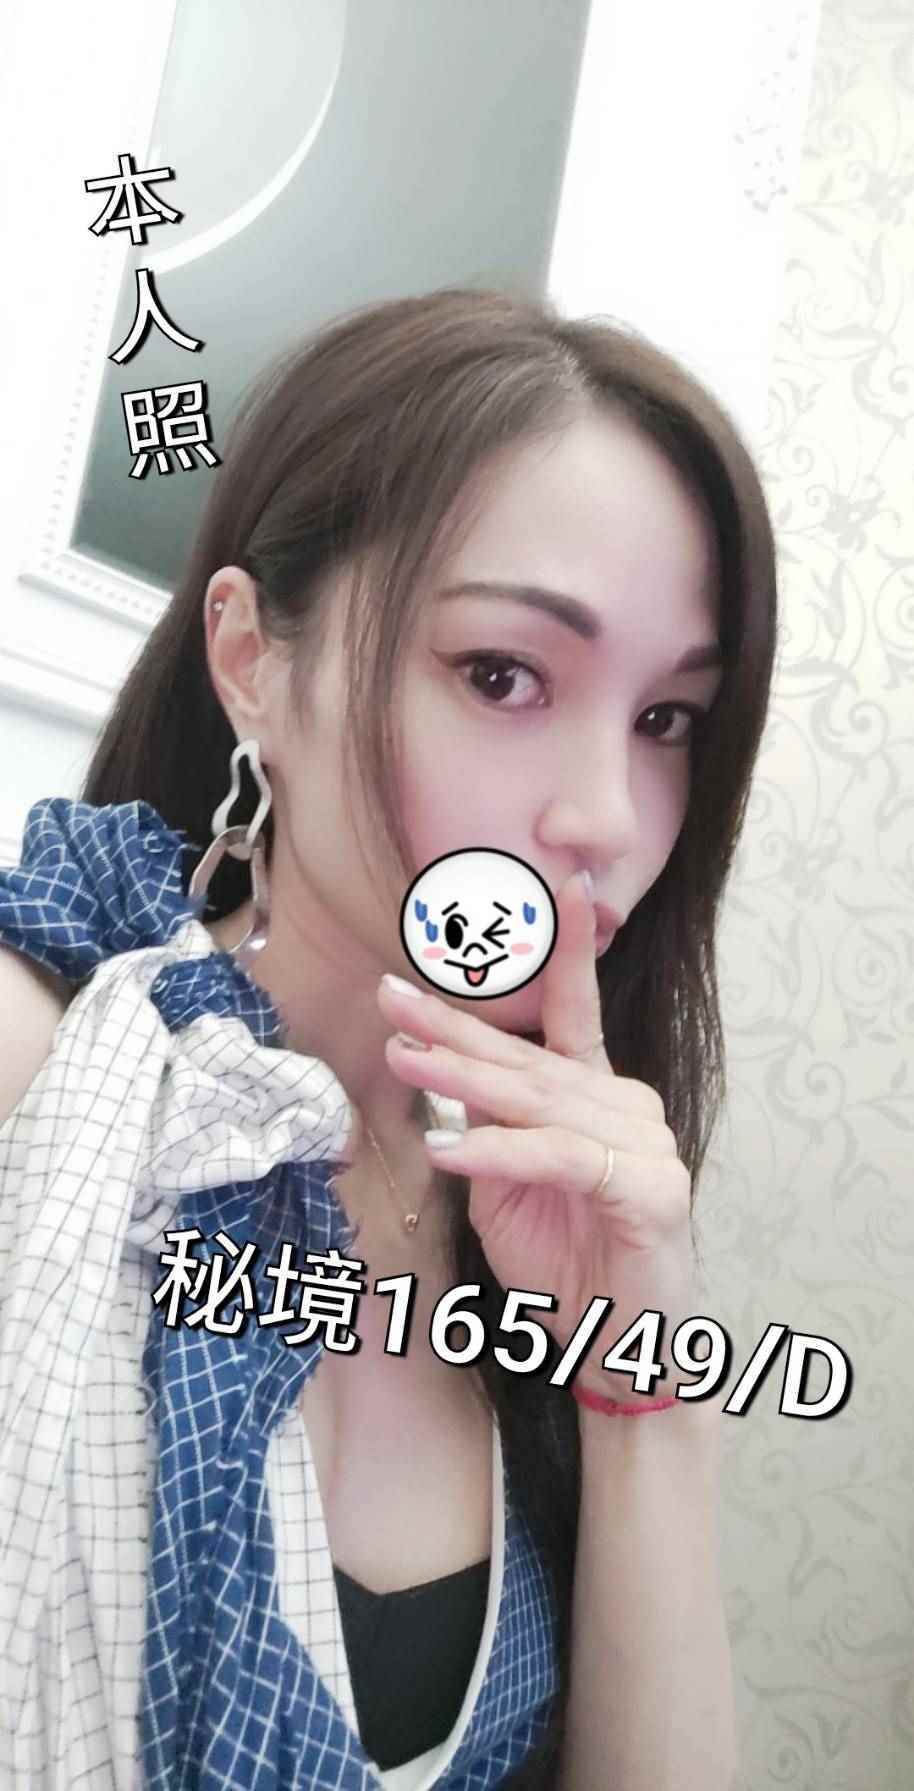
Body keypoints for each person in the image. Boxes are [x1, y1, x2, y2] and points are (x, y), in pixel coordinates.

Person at [0, 287, 777, 1789]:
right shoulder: (46, 1052)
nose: (606, 820)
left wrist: (640, 1402)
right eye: (500, 675)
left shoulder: (549, 1204)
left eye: (667, 720)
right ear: (252, 660)